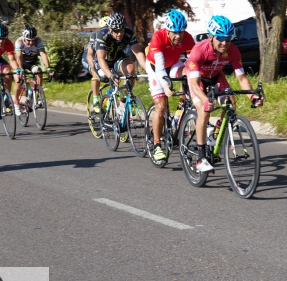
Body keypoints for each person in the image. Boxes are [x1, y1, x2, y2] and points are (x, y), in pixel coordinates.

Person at [185, 15, 263, 172]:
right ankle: (201, 158)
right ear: (211, 36)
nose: (225, 42)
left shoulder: (233, 51)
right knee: (204, 110)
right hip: (197, 79)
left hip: (216, 77)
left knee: (230, 105)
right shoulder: (199, 50)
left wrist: (252, 96)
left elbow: (241, 77)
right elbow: (194, 83)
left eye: (228, 38)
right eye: (220, 38)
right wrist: (205, 99)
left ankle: (215, 134)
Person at [146, 10, 195, 162]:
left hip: (173, 64)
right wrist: (166, 86)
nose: (178, 36)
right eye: (174, 33)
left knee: (188, 72)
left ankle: (181, 105)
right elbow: (160, 69)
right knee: (161, 106)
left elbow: (193, 63)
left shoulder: (187, 38)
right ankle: (156, 145)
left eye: (181, 32)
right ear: (167, 30)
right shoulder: (158, 37)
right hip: (156, 68)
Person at [90, 12, 147, 114]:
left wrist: (150, 71)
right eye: (116, 31)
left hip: (116, 57)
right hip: (103, 60)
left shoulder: (129, 34)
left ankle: (123, 102)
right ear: (110, 28)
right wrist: (110, 75)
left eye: (122, 30)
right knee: (104, 77)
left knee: (130, 69)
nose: (120, 34)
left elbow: (138, 54)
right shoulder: (102, 34)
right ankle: (99, 99)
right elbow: (101, 58)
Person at [13, 25, 54, 104]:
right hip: (20, 62)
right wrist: (21, 70)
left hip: (31, 63)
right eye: (28, 40)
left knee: (39, 71)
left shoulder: (38, 41)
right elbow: (18, 56)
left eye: (33, 40)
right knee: (19, 81)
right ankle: (16, 102)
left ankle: (38, 95)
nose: (31, 43)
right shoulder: (19, 42)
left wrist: (48, 67)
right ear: (24, 37)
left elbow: (42, 54)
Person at [81, 16, 109, 82]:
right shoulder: (95, 36)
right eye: (105, 28)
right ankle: (95, 92)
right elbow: (89, 55)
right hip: (88, 56)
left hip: (98, 57)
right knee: (95, 73)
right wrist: (94, 68)